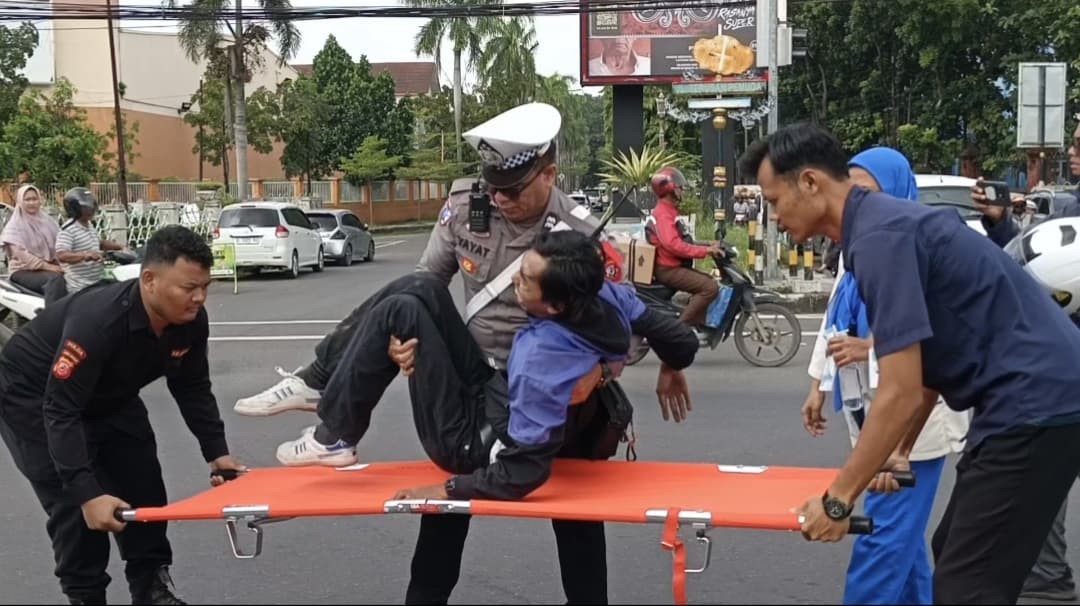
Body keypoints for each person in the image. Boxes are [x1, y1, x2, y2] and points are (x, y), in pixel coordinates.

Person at [234, 102, 696, 605]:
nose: (500, 200)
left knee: (576, 523)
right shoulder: (465, 206)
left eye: (513, 190)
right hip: (475, 374)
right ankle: (319, 381)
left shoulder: (582, 235)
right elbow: (430, 281)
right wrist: (402, 344)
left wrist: (601, 374)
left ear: (549, 174)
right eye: (493, 186)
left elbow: (623, 327)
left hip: (555, 393)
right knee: (413, 297)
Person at [739, 122, 1080, 604]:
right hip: (1030, 398)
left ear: (811, 183)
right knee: (954, 554)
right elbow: (927, 372)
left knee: (970, 585)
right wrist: (899, 452)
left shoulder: (880, 237)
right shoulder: (880, 227)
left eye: (775, 202)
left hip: (1035, 401)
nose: (773, 217)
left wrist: (838, 500)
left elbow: (897, 391)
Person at [0, 225, 247, 605]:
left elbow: (192, 386)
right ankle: (85, 596)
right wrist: (87, 493)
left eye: (205, 286)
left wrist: (217, 452)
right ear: (149, 279)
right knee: (76, 503)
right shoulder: (98, 323)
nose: (199, 298)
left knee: (143, 487)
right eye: (188, 288)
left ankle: (152, 588)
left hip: (110, 396)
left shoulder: (190, 322)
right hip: (32, 396)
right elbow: (61, 409)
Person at [801, 146, 970, 605]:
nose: (856, 203)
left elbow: (929, 335)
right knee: (905, 544)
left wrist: (868, 347)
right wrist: (818, 384)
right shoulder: (855, 245)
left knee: (881, 539)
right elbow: (837, 317)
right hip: (870, 409)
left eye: (868, 192)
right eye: (850, 190)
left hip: (913, 422)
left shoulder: (913, 246)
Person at [970, 121, 1080, 602]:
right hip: (1059, 377)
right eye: (1074, 143)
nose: (1073, 152)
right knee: (1042, 504)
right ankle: (1048, 584)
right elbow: (1032, 276)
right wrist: (1000, 225)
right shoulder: (1071, 206)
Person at [645, 166, 724, 327]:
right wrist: (705, 251)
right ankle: (679, 329)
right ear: (669, 189)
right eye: (679, 188)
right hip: (668, 269)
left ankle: (698, 324)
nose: (681, 191)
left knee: (707, 282)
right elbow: (673, 244)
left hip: (673, 266)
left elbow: (683, 240)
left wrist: (707, 243)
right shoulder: (663, 214)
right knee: (710, 287)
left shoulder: (670, 211)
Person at [53, 187, 126, 303]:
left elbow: (100, 243)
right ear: (75, 208)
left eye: (91, 206)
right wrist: (85, 255)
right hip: (80, 287)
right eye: (86, 207)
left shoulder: (88, 225)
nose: (91, 209)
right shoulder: (68, 229)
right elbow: (61, 255)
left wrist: (121, 247)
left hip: (97, 281)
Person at [1, 184, 65, 299]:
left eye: (34, 199)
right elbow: (24, 257)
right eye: (27, 200)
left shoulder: (48, 221)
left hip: (50, 266)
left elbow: (60, 244)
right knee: (55, 280)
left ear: (39, 201)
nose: (31, 203)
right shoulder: (15, 226)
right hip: (23, 270)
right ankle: (53, 315)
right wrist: (50, 267)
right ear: (20, 201)